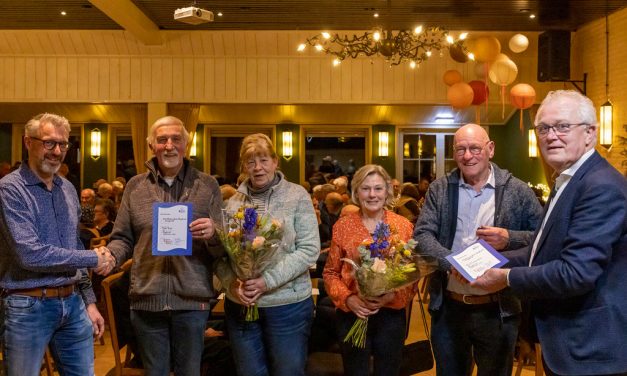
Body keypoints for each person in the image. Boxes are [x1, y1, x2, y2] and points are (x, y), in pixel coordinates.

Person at [470, 90, 627, 376]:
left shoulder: (600, 186)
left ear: (590, 133)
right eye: (543, 128)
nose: (551, 135)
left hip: (591, 349)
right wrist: (491, 259)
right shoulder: (568, 179)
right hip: (569, 343)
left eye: (563, 126)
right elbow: (541, 251)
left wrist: (504, 277)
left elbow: (575, 273)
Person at [95, 115, 224, 376]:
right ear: (151, 145)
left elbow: (224, 245)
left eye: (176, 139)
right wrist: (110, 255)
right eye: (162, 140)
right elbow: (122, 238)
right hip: (147, 300)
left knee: (190, 372)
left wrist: (213, 232)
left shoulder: (207, 185)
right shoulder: (135, 186)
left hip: (191, 301)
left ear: (186, 145)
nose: (169, 145)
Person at [413, 123, 543, 376]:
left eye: (475, 148)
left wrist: (509, 238)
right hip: (450, 309)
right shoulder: (440, 189)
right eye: (461, 149)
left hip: (498, 310)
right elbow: (422, 234)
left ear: (490, 149)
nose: (468, 155)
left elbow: (542, 238)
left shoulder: (517, 190)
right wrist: (451, 264)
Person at [0, 113, 111, 376]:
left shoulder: (67, 189)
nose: (57, 151)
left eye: (63, 144)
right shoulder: (10, 189)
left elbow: (72, 245)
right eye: (49, 143)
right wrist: (92, 258)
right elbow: (30, 255)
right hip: (27, 305)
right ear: (28, 142)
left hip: (72, 303)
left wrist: (89, 302)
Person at [216, 133, 320, 376]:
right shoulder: (232, 203)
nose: (258, 168)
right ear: (244, 166)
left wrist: (266, 282)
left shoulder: (297, 196)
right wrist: (233, 285)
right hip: (241, 306)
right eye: (251, 162)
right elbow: (220, 255)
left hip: (288, 306)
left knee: (288, 372)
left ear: (275, 162)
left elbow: (309, 250)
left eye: (263, 160)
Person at [323, 164, 416, 376]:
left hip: (391, 316)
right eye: (365, 189)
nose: (372, 194)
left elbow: (411, 274)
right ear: (356, 192)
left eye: (378, 188)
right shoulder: (343, 226)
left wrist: (391, 295)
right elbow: (330, 273)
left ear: (387, 191)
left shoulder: (402, 226)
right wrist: (348, 299)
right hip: (352, 314)